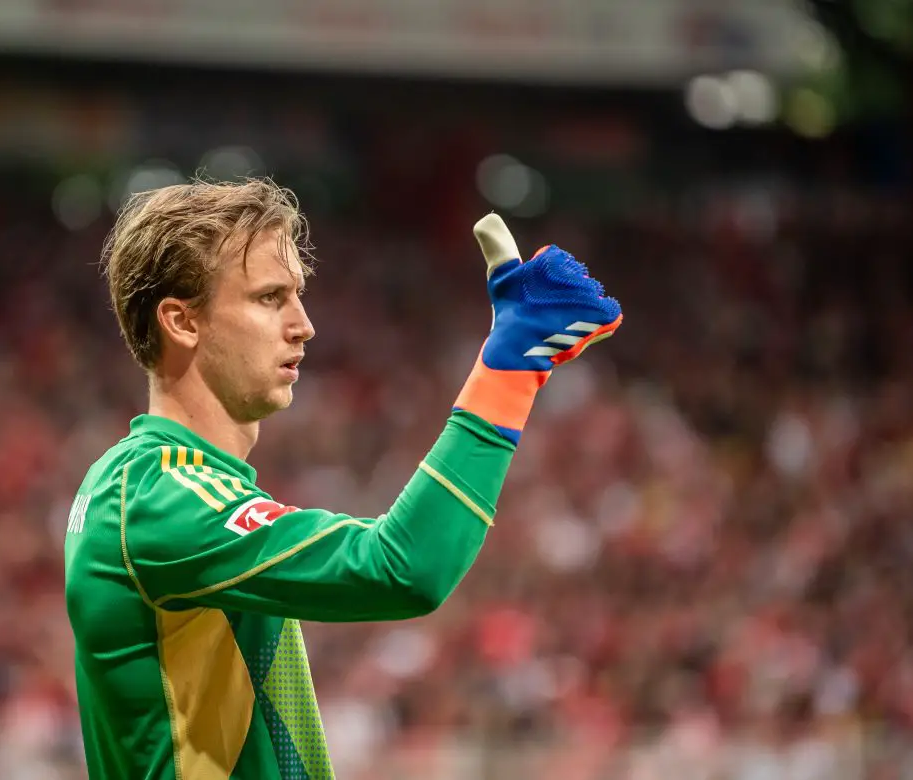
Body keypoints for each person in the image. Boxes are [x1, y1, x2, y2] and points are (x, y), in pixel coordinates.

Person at [63, 178, 622, 780]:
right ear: (181, 321)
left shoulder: (158, 484)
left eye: (297, 295)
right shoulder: (155, 494)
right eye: (269, 298)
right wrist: (511, 366)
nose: (304, 324)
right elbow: (404, 568)